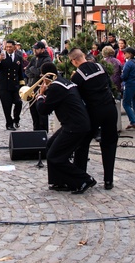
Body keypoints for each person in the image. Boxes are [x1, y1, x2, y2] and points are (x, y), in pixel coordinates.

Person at [34, 62, 95, 194]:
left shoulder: (56, 87)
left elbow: (44, 110)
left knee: (54, 156)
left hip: (75, 126)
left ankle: (85, 179)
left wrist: (40, 95)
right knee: (50, 146)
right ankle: (59, 181)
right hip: (74, 124)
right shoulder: (64, 82)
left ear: (45, 76)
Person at [70, 48, 118, 190]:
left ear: (74, 61)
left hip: (93, 111)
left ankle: (82, 178)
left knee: (82, 144)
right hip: (110, 108)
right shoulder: (100, 67)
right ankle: (108, 180)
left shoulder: (77, 76)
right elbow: (110, 86)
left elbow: (77, 99)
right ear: (83, 56)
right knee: (109, 143)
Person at [0, 39, 24, 130]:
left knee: (18, 102)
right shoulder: (1, 55)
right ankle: (9, 123)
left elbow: (20, 72)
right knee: (7, 106)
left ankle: (16, 119)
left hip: (15, 85)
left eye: (10, 47)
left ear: (14, 47)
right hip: (4, 85)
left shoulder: (19, 57)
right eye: (6, 47)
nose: (8, 48)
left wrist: (22, 85)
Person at [25, 41, 53, 132]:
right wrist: (34, 72)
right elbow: (27, 71)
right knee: (33, 112)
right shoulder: (33, 59)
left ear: (42, 49)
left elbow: (43, 73)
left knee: (41, 111)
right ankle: (35, 130)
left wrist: (33, 70)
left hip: (42, 89)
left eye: (36, 49)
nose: (34, 50)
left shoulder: (47, 59)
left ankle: (43, 132)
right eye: (34, 49)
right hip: (32, 87)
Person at [120, 46, 135, 130]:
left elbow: (124, 76)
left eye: (125, 53)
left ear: (130, 54)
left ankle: (133, 121)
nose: (124, 54)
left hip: (130, 85)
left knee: (126, 104)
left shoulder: (128, 63)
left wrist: (120, 76)